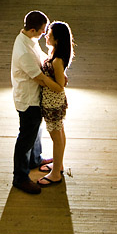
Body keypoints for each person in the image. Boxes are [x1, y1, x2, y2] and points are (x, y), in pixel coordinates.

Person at [11, 10, 65, 195]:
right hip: (27, 98)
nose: (44, 34)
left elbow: (42, 58)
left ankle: (35, 159)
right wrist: (58, 85)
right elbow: (40, 78)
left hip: (35, 96)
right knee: (26, 137)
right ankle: (20, 177)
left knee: (36, 130)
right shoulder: (23, 51)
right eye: (43, 31)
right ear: (33, 29)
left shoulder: (29, 40)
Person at [38, 20, 74, 187]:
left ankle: (55, 174)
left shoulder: (58, 60)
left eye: (50, 35)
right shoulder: (54, 53)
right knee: (59, 132)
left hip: (53, 101)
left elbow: (60, 86)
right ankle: (58, 165)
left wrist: (43, 79)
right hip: (51, 100)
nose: (46, 36)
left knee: (56, 137)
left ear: (58, 39)